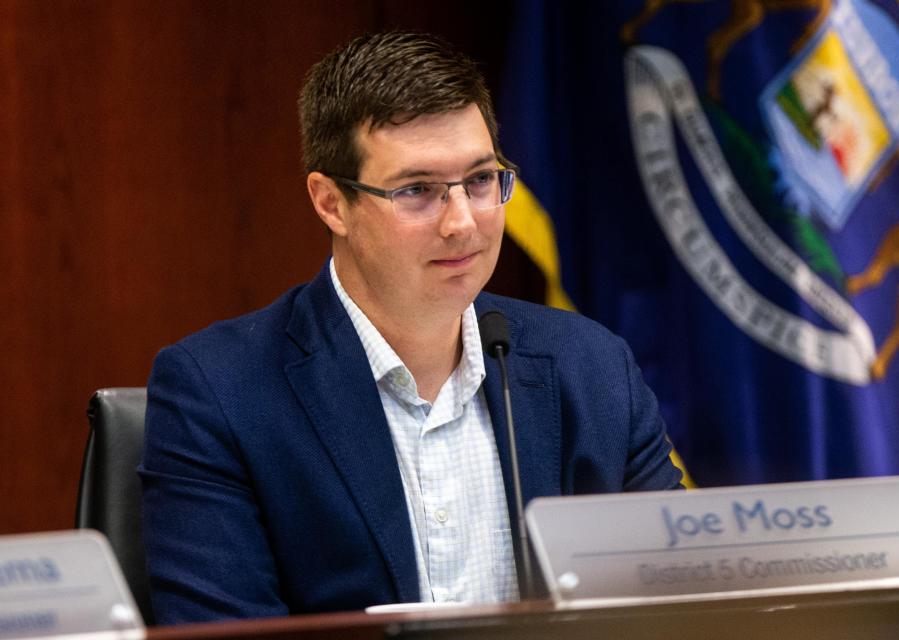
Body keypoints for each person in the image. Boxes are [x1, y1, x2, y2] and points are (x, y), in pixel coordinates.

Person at [139, 31, 682, 625]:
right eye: (417, 191)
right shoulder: (219, 392)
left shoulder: (594, 367)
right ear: (330, 203)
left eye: (480, 180)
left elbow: (683, 606)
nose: (462, 223)